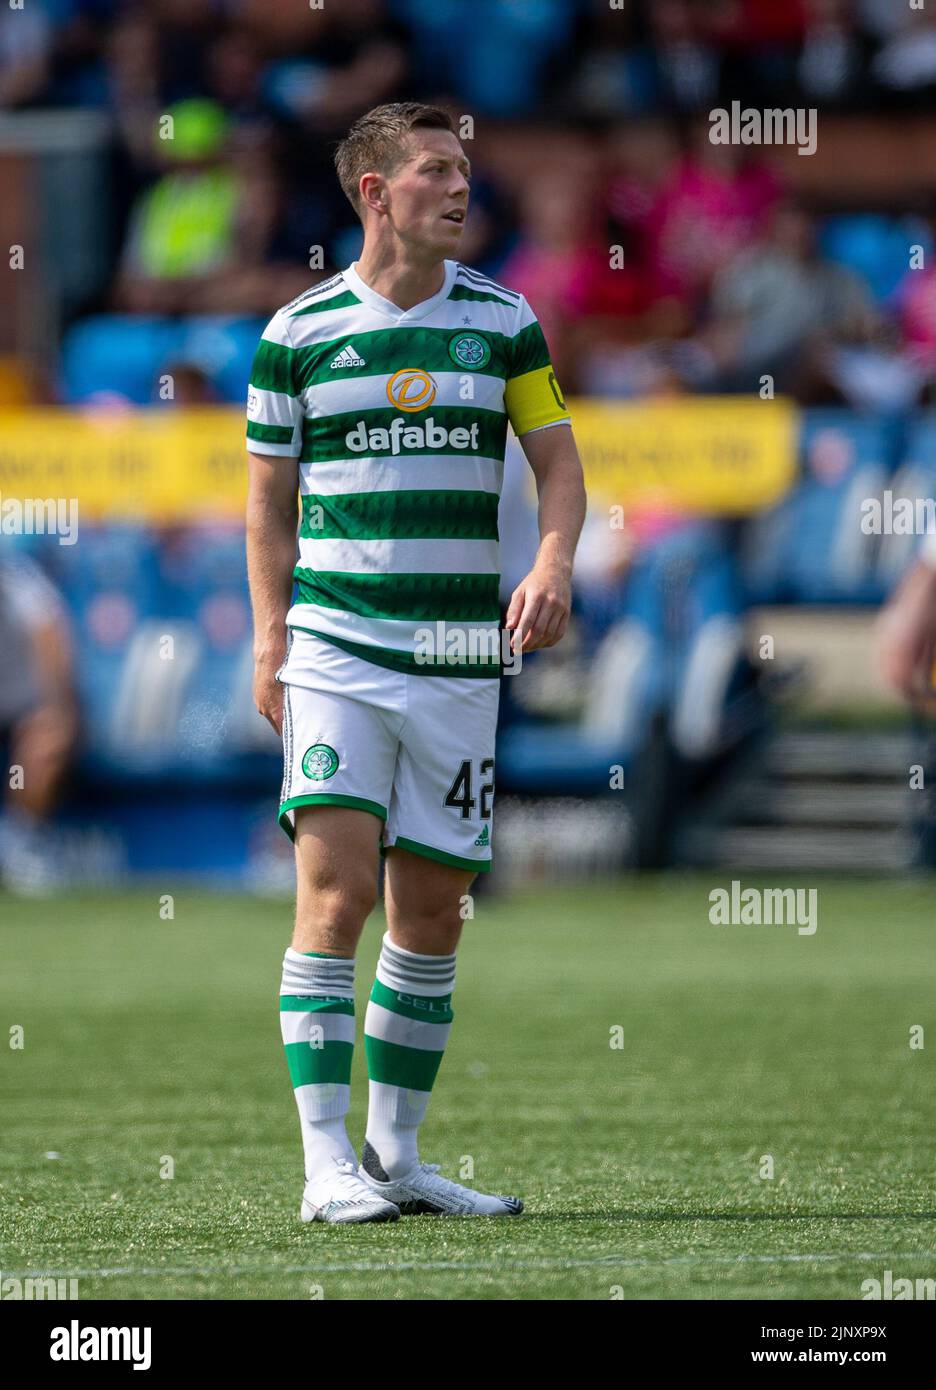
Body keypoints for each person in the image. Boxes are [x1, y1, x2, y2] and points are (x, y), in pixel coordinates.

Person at [246, 102, 586, 1223]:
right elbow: (267, 508)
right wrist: (268, 635)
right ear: (373, 192)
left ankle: (396, 1159)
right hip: (338, 647)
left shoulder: (503, 322)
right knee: (335, 895)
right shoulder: (296, 334)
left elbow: (560, 467)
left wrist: (550, 559)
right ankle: (321, 1165)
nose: (459, 187)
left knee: (433, 911)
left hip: (456, 657)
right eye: (436, 170)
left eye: (466, 170)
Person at [0, 550, 78, 895]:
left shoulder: (22, 581)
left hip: (22, 707)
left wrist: (59, 706)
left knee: (50, 734)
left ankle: (18, 846)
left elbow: (52, 638)